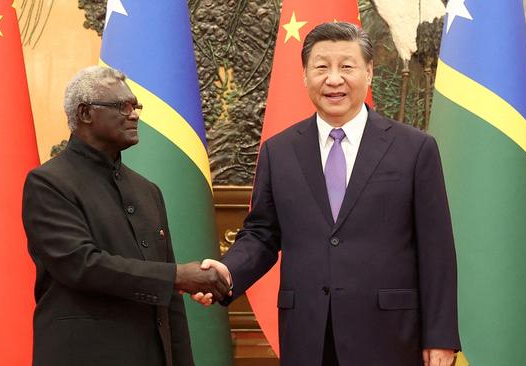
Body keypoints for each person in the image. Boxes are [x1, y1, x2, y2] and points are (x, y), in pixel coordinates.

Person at [197, 22, 461, 366]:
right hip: (309, 335)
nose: (333, 79)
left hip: (390, 334)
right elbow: (262, 234)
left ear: (368, 72)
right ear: (305, 76)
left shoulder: (414, 148)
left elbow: (436, 248)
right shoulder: (279, 151)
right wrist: (227, 272)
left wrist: (440, 337)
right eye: (321, 67)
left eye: (346, 67)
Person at [22, 66, 230, 366]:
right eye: (122, 106)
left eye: (136, 106)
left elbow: (171, 304)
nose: (134, 115)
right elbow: (81, 265)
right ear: (85, 113)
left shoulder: (148, 191)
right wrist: (177, 276)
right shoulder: (48, 183)